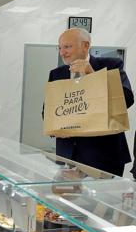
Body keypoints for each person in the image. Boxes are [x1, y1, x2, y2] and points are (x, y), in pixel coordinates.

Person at [48, 28, 134, 176]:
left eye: (67, 47)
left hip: (104, 156)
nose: (62, 52)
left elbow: (126, 99)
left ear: (86, 45)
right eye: (60, 47)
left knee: (103, 199)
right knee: (66, 200)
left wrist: (92, 74)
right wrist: (56, 129)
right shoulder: (56, 73)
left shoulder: (112, 64)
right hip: (67, 156)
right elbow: (48, 111)